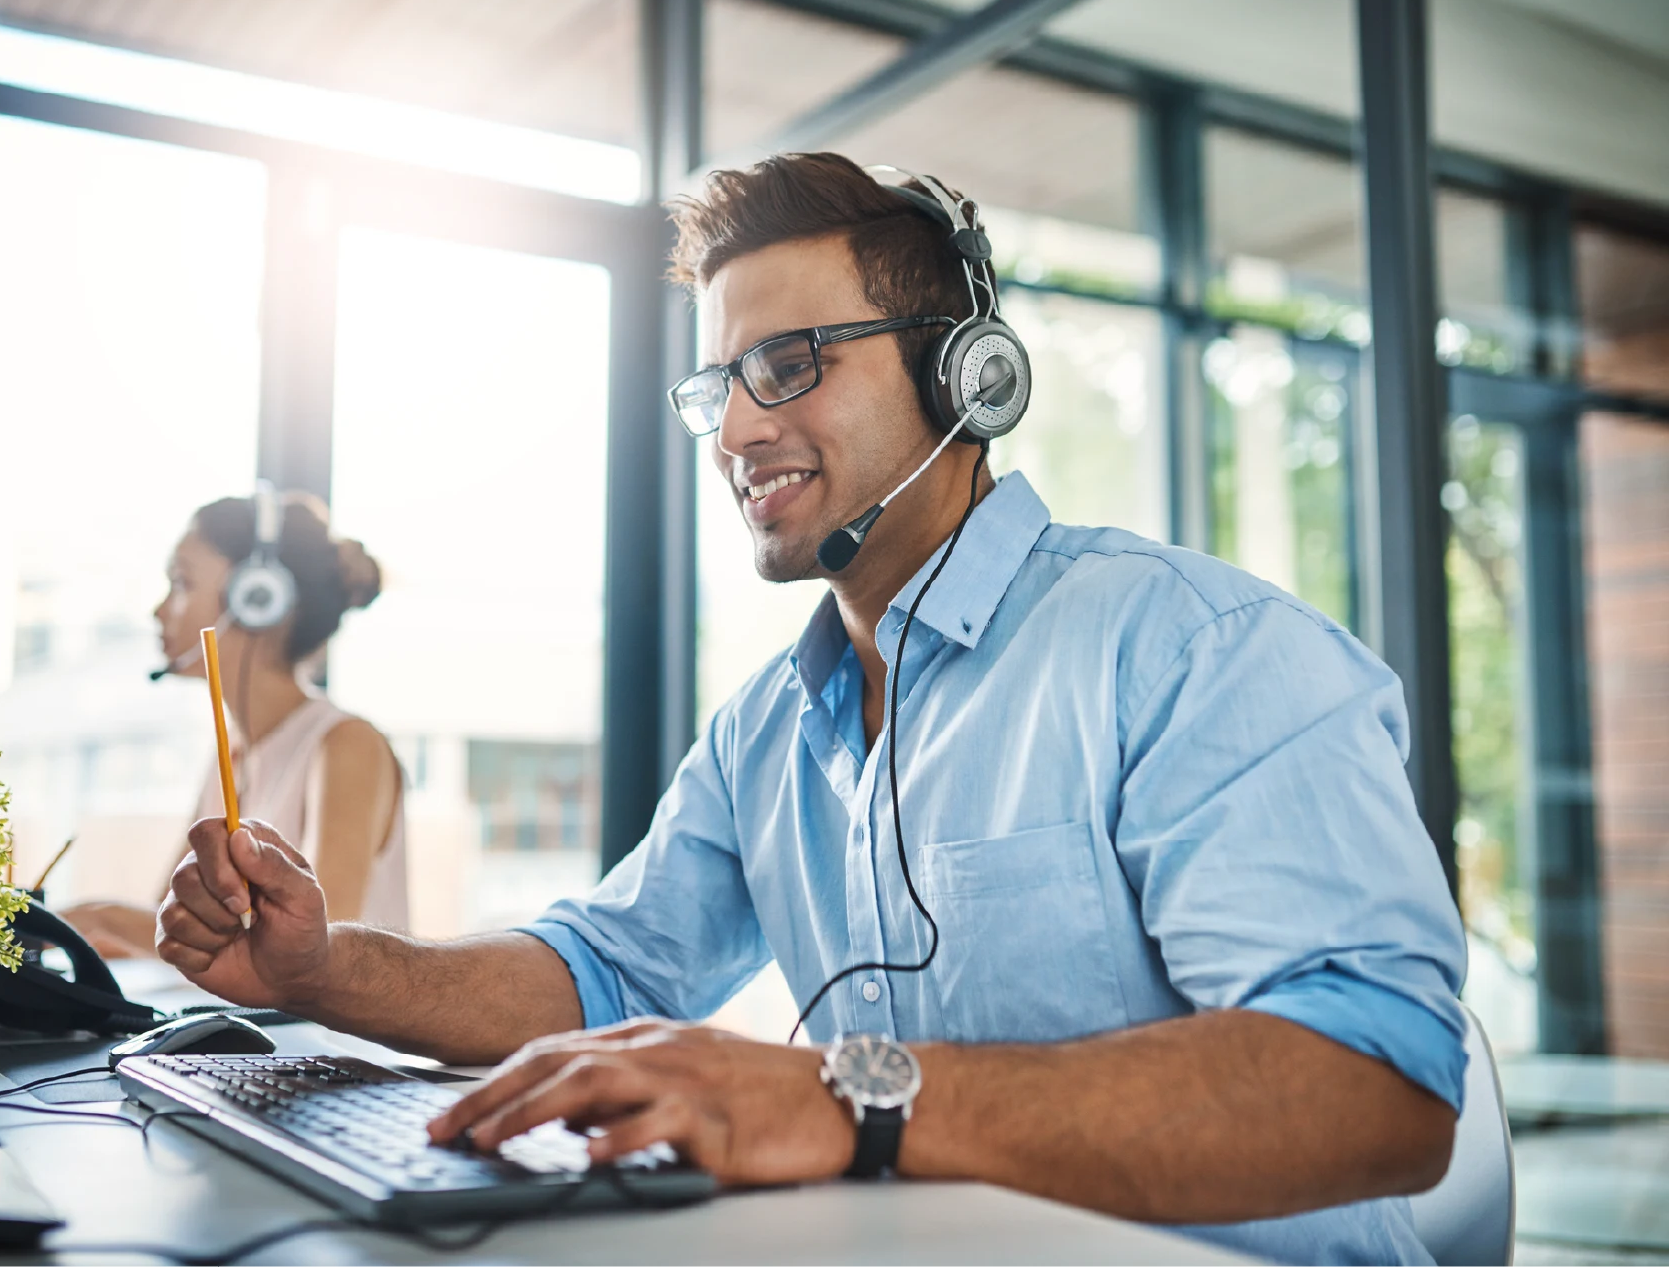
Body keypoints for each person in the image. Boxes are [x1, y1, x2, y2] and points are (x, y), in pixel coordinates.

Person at [153, 155, 1467, 1265]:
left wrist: (845, 1097)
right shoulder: (767, 729)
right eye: (717, 384)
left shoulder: (1194, 648)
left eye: (786, 364)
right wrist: (327, 973)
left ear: (967, 381)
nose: (733, 432)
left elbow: (1377, 1086)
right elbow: (601, 970)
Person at [63, 492, 408, 957]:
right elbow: (171, 928)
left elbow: (319, 948)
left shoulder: (347, 746)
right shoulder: (234, 755)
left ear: (255, 598)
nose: (159, 610)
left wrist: (98, 916)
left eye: (182, 583)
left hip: (326, 1033)